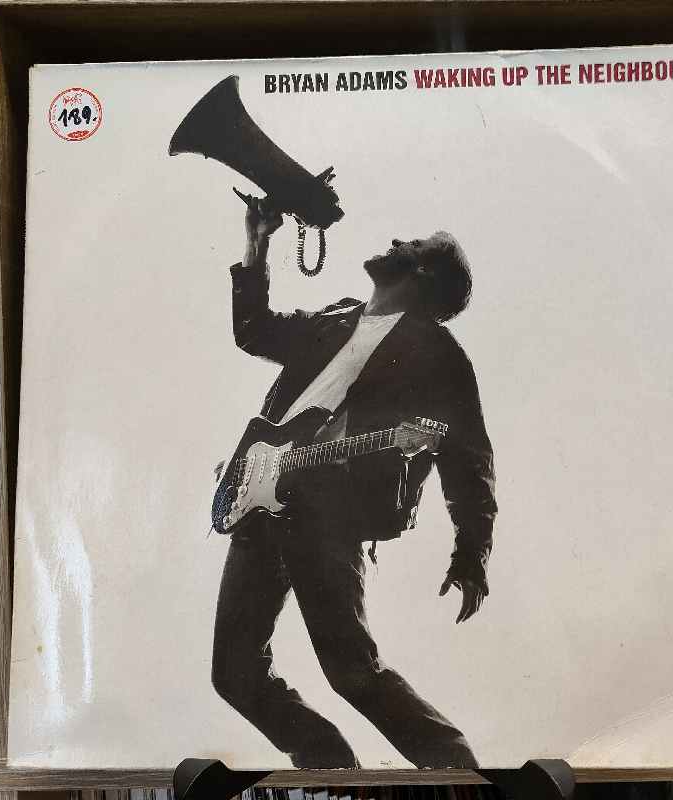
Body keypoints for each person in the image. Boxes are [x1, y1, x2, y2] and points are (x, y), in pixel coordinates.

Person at [210, 196, 497, 768]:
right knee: (235, 674)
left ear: (423, 273)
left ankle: (455, 771)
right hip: (260, 499)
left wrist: (472, 552)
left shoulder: (438, 354)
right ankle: (331, 769)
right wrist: (258, 244)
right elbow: (254, 331)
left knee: (351, 672)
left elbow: (468, 457)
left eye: (412, 244)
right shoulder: (336, 320)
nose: (396, 242)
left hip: (331, 507)